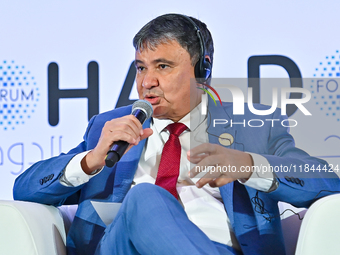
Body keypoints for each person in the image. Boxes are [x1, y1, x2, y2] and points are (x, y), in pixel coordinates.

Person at [13, 13, 340, 255]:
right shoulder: (111, 127)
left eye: (163, 66)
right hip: (118, 249)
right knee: (145, 197)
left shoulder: (255, 127)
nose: (146, 82)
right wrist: (89, 161)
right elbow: (24, 188)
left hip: (217, 247)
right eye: (141, 67)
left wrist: (249, 164)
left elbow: (324, 180)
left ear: (204, 71)